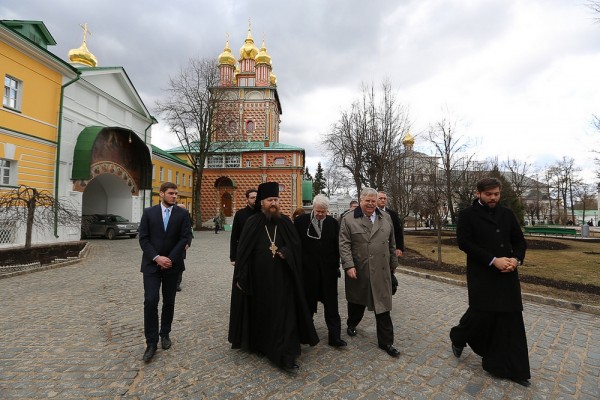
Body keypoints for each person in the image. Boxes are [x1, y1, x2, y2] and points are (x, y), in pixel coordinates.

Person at [228, 181, 319, 373]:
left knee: (285, 316)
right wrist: (242, 277)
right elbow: (243, 252)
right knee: (262, 315)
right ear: (262, 202)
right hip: (259, 281)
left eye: (276, 199)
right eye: (270, 200)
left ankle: (286, 355)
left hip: (283, 280)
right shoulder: (252, 223)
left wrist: (286, 251)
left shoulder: (285, 222)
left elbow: (296, 247)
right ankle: (262, 345)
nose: (274, 203)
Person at [450, 177, 530, 387]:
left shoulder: (507, 214)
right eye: (489, 194)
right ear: (478, 193)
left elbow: (519, 241)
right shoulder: (468, 215)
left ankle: (511, 368)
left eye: (496, 194)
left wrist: (516, 259)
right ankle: (458, 336)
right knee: (480, 315)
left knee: (510, 320)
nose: (493, 198)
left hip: (507, 275)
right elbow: (464, 242)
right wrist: (493, 260)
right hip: (483, 274)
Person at [339, 187, 400, 358]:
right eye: (368, 201)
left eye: (374, 201)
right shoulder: (349, 219)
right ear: (361, 200)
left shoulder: (386, 217)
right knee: (357, 302)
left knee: (383, 307)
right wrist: (349, 265)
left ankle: (386, 342)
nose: (371, 204)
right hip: (360, 269)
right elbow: (344, 244)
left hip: (381, 270)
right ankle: (352, 323)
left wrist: (393, 263)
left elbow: (392, 242)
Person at [139, 182, 192, 363]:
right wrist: (157, 258)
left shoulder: (182, 214)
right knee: (151, 300)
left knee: (169, 301)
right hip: (152, 265)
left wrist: (170, 258)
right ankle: (151, 342)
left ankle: (165, 334)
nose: (175, 196)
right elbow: (143, 239)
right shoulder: (149, 213)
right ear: (161, 194)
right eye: (171, 193)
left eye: (176, 193)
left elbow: (185, 237)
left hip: (172, 264)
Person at [294, 194, 346, 348]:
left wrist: (337, 266)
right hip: (308, 273)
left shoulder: (332, 223)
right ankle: (305, 334)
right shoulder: (301, 222)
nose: (320, 214)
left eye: (323, 212)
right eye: (318, 211)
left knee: (332, 306)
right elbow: (295, 244)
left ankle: (334, 337)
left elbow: (337, 246)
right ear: (313, 208)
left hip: (328, 272)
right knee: (308, 305)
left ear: (327, 211)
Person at [229, 188, 257, 265]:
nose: (255, 199)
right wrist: (233, 257)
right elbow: (234, 236)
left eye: (256, 197)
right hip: (244, 251)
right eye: (252, 198)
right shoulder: (240, 214)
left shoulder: (262, 214)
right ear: (247, 199)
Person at [377, 191, 405, 258]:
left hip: (390, 248)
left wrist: (399, 248)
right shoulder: (371, 213)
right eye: (380, 198)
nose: (383, 200)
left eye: (384, 198)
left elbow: (398, 231)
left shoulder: (393, 214)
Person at [176, 203, 193, 292]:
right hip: (171, 245)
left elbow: (189, 232)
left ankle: (177, 283)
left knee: (179, 265)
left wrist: (188, 243)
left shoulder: (186, 219)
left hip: (181, 246)